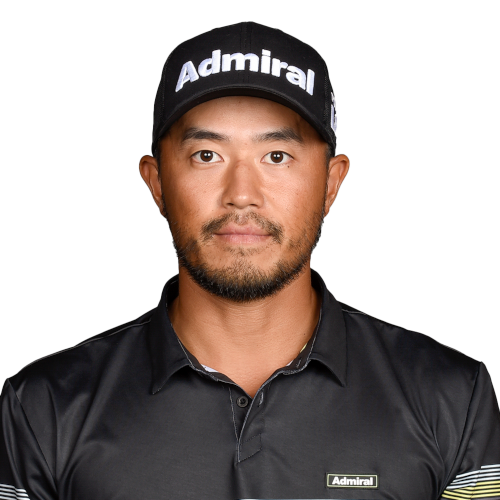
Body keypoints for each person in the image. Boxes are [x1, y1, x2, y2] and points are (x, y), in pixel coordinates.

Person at [1, 21, 499, 500]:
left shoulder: (453, 400)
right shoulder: (43, 409)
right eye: (206, 155)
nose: (241, 195)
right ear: (156, 181)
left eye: (277, 156)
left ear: (331, 183)